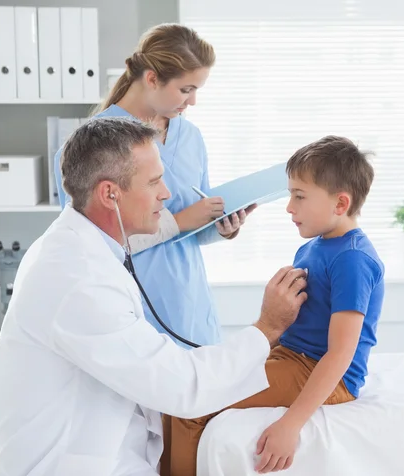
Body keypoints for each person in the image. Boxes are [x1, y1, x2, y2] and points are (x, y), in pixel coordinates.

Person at [0, 117, 308, 476]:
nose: (167, 194)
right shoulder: (76, 277)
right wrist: (267, 327)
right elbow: (182, 386)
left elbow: (149, 362)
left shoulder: (86, 250)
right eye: (155, 182)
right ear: (110, 194)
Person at [164, 136, 385, 476]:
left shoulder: (352, 259)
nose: (289, 207)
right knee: (182, 388)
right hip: (291, 359)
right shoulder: (314, 247)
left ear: (340, 204)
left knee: (189, 406)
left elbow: (341, 354)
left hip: (318, 372)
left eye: (299, 196)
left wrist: (290, 425)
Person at [54, 23, 253, 348]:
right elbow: (88, 248)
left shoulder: (190, 137)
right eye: (186, 89)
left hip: (191, 310)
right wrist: (182, 220)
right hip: (131, 313)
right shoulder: (86, 148)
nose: (193, 102)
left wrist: (220, 226)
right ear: (151, 78)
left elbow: (193, 225)